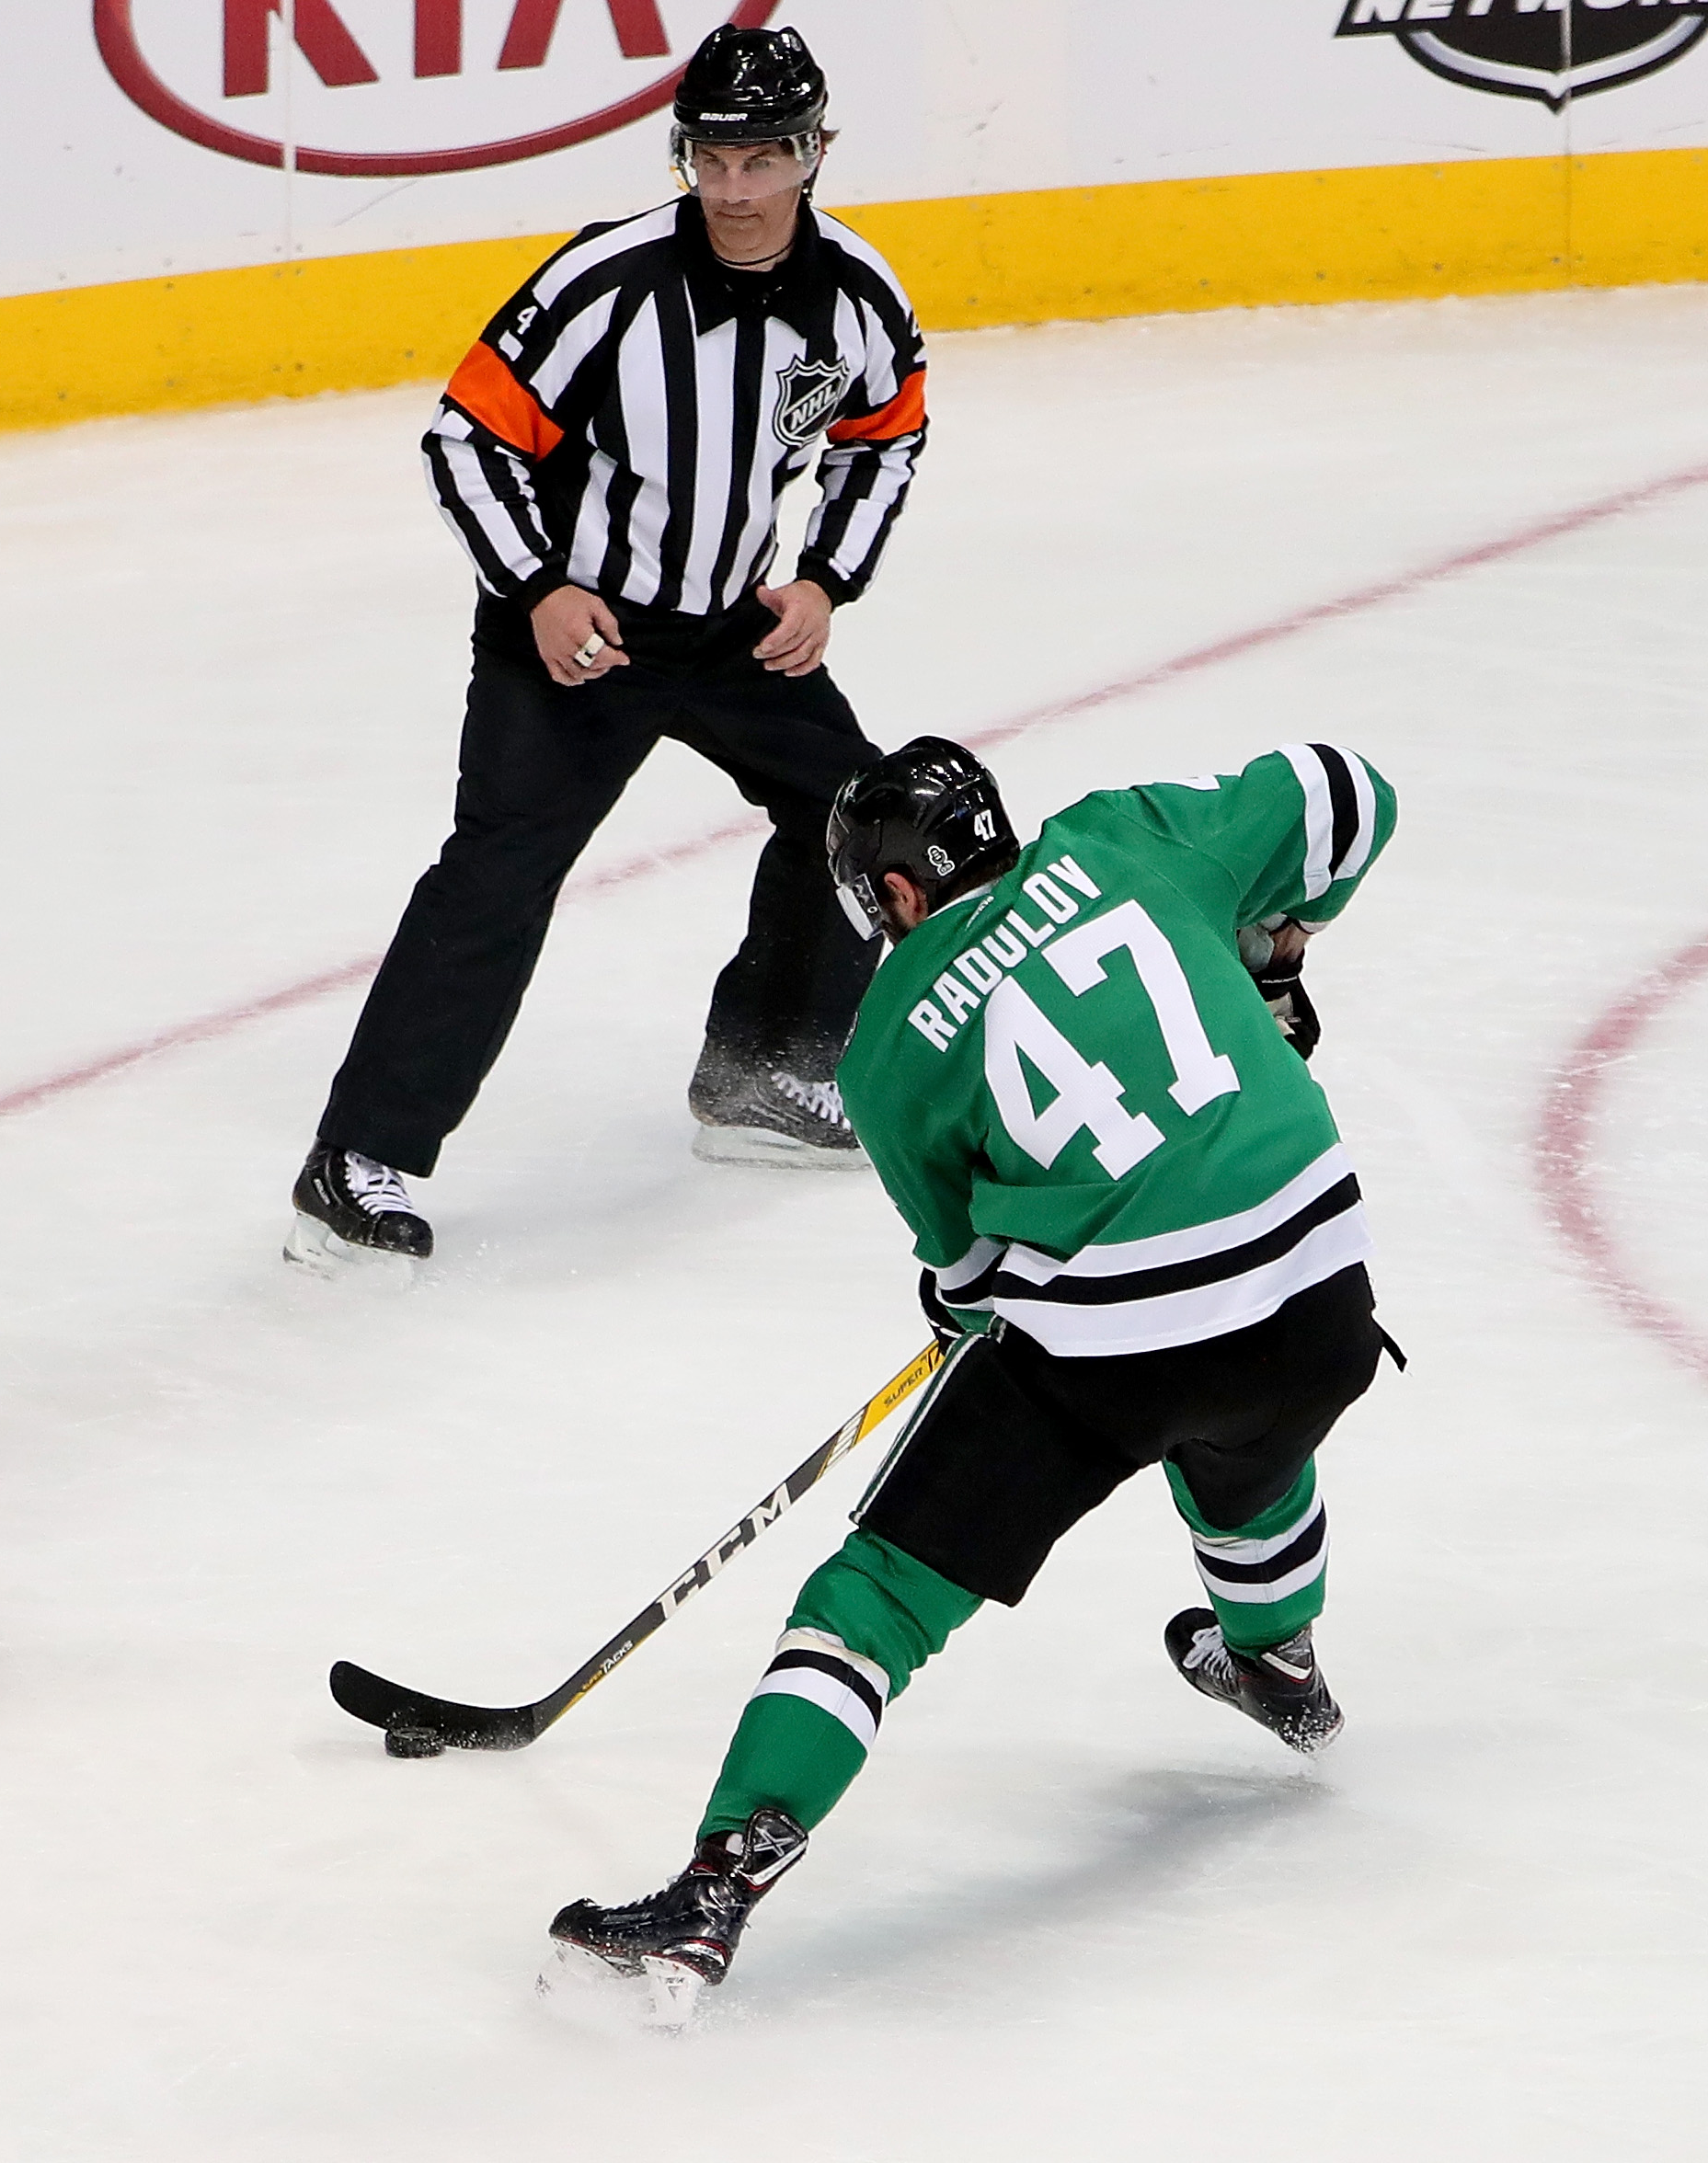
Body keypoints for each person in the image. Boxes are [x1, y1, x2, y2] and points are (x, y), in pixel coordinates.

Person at [543, 738, 1401, 2022]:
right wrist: (1270, 950)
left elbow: (971, 1274)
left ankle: (722, 1878)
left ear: (895, 894)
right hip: (1326, 1292)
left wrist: (967, 1296)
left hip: (1126, 1347)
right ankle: (1278, 1659)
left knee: (874, 1595)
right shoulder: (1127, 835)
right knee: (1253, 1429)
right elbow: (1352, 793)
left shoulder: (889, 1047)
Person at [290, 24, 929, 1271]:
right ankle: (358, 1154)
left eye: (762, 160)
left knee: (857, 814)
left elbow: (885, 435)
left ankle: (760, 1069)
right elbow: (467, 439)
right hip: (582, 639)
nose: (734, 190)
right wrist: (536, 587)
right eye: (711, 159)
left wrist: (824, 577)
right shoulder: (607, 280)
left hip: (742, 631)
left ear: (814, 152)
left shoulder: (857, 292)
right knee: (498, 875)